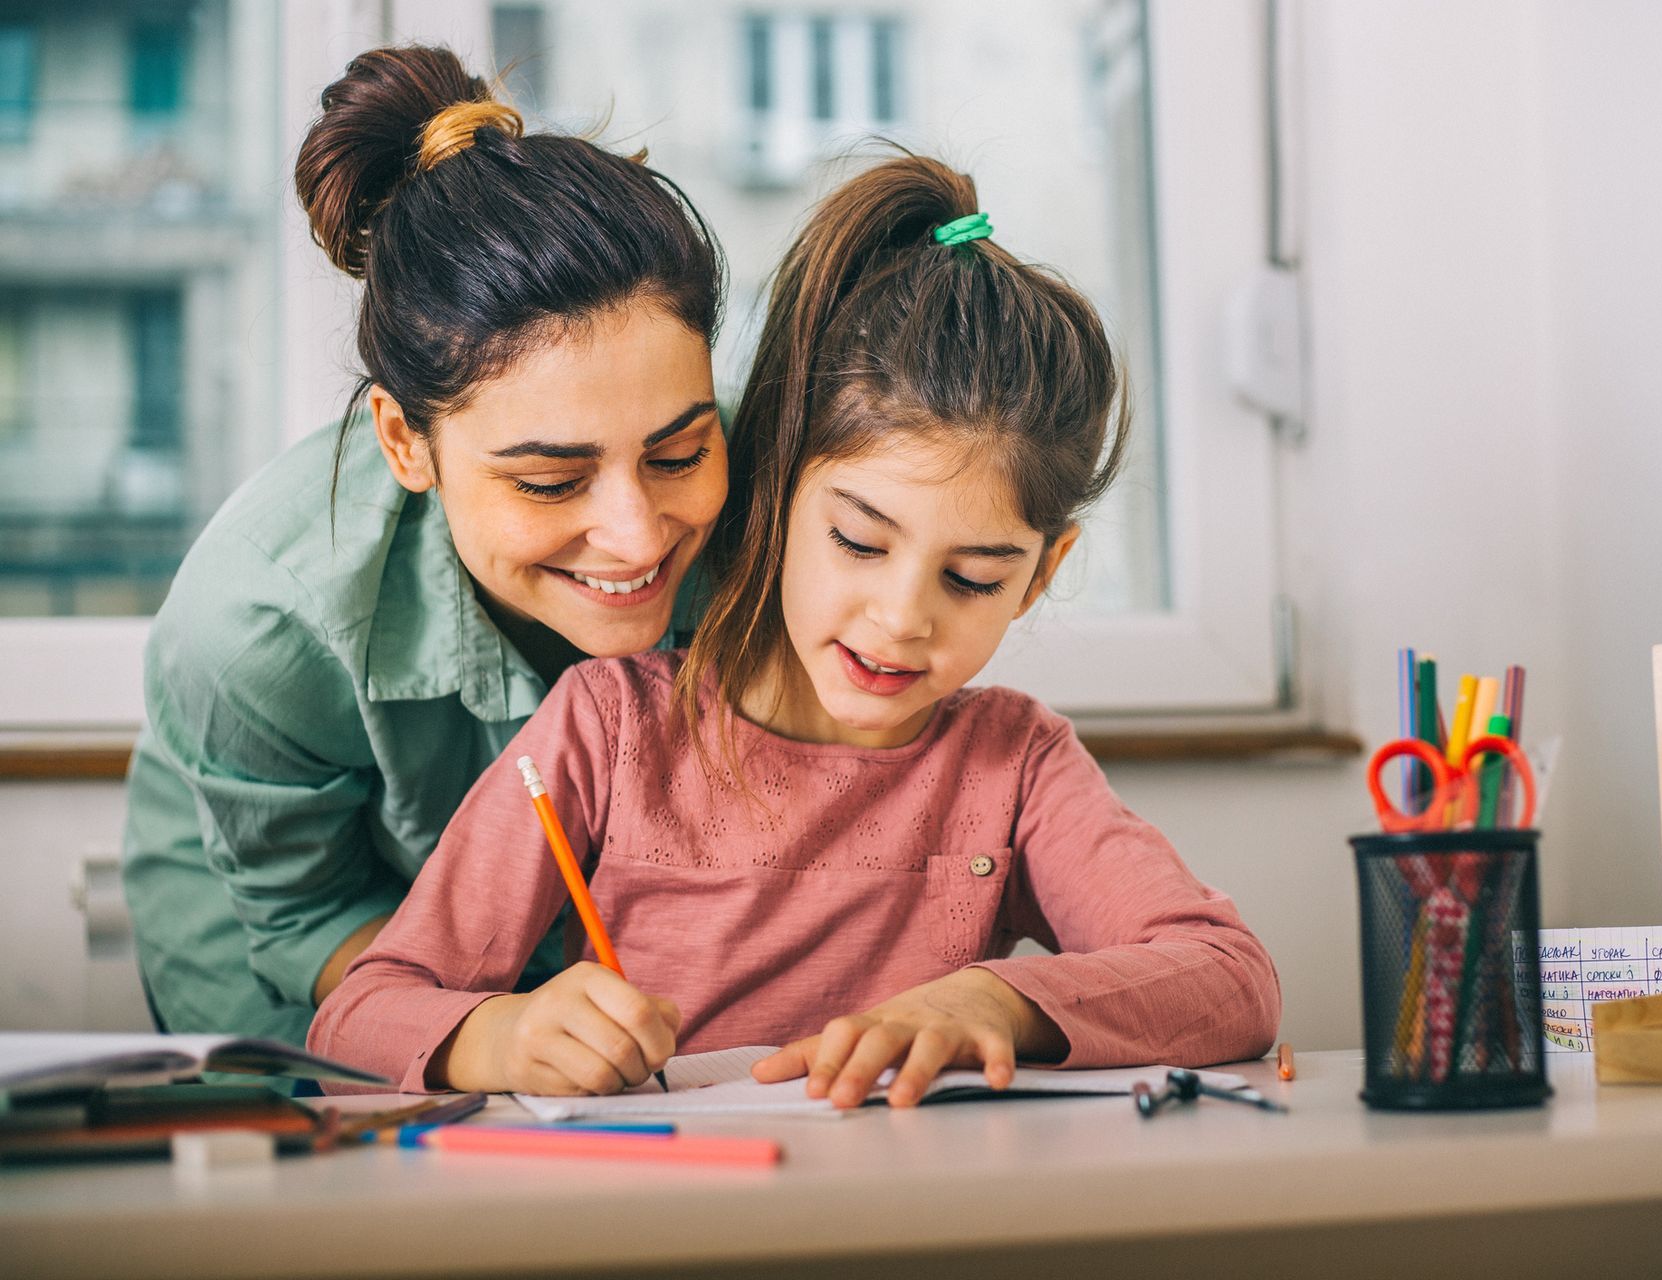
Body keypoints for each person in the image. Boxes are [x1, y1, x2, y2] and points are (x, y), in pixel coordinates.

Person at [311, 155, 1281, 1106]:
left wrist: (993, 999)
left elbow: (1232, 979)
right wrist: (502, 1034)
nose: (903, 617)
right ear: (775, 494)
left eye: (973, 576)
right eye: (860, 542)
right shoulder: (611, 729)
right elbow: (358, 1012)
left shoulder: (1015, 765)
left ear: (1041, 576)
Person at [122, 45, 729, 1052]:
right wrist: (483, 1031)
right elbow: (303, 913)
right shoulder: (258, 622)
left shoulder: (783, 511)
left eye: (677, 452)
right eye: (549, 480)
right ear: (406, 441)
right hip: (302, 941)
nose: (636, 533)